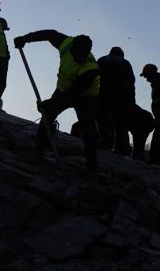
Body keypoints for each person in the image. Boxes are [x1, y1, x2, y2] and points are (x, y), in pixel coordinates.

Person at [13, 30, 100, 173]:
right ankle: (38, 153)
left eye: (83, 57)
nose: (80, 59)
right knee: (47, 115)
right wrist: (25, 39)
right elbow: (49, 34)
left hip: (86, 97)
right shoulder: (65, 44)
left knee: (88, 131)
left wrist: (49, 104)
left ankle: (91, 172)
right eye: (77, 55)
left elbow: (73, 95)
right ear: (72, 49)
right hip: (63, 89)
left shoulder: (91, 69)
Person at [96, 47, 136, 155]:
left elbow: (94, 76)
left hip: (102, 94)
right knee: (119, 123)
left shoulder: (102, 60)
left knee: (100, 118)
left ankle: (105, 140)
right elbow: (131, 82)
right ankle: (120, 146)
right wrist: (131, 99)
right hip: (119, 97)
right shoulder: (125, 63)